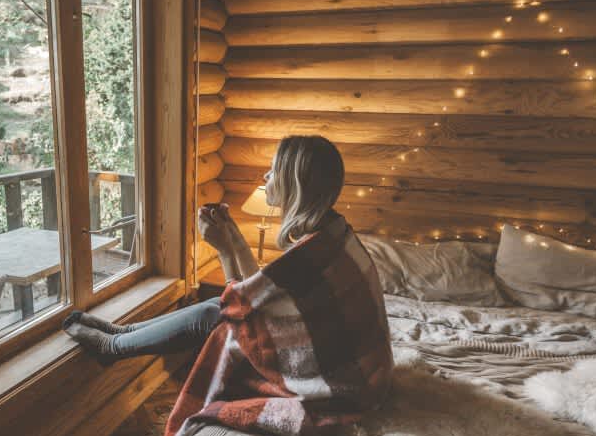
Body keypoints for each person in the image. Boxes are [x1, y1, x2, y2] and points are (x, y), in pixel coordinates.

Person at [62, 135, 390, 374]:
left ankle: (111, 348)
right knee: (214, 308)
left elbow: (240, 305)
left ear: (294, 184)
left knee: (214, 314)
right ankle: (124, 335)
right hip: (353, 358)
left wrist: (221, 247)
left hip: (343, 375)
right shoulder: (331, 230)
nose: (266, 177)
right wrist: (232, 234)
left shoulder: (313, 252)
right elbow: (260, 287)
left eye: (273, 171)